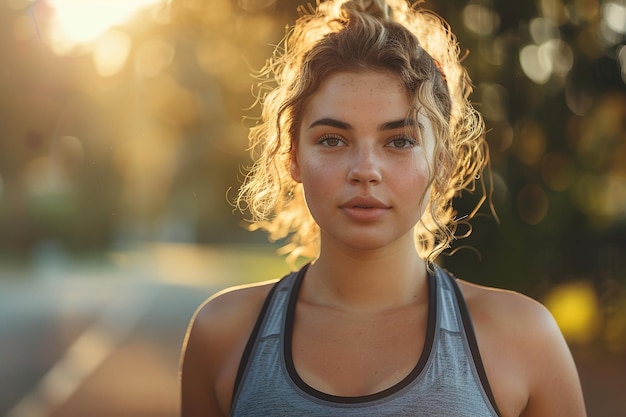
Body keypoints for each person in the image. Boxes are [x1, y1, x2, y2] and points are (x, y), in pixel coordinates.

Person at [180, 0, 587, 415]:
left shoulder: (523, 339)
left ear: (442, 163)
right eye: (333, 140)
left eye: (399, 141)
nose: (365, 171)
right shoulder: (223, 334)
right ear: (293, 157)